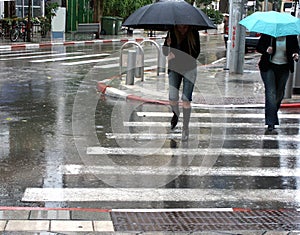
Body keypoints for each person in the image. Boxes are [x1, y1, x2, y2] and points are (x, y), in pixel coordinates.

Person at [162, 25, 200, 141]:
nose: (182, 28)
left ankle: (185, 128)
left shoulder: (193, 33)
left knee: (186, 99)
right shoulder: (171, 31)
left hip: (189, 69)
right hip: (174, 68)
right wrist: (167, 46)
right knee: (172, 98)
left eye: (184, 26)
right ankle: (176, 114)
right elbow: (164, 52)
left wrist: (176, 55)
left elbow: (196, 53)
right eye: (179, 26)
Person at [256, 34, 299, 132]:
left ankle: (271, 113)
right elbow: (259, 47)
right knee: (271, 92)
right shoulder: (268, 35)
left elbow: (295, 48)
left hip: (284, 67)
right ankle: (271, 123)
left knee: (280, 94)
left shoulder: (291, 36)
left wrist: (295, 54)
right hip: (268, 67)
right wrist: (266, 50)